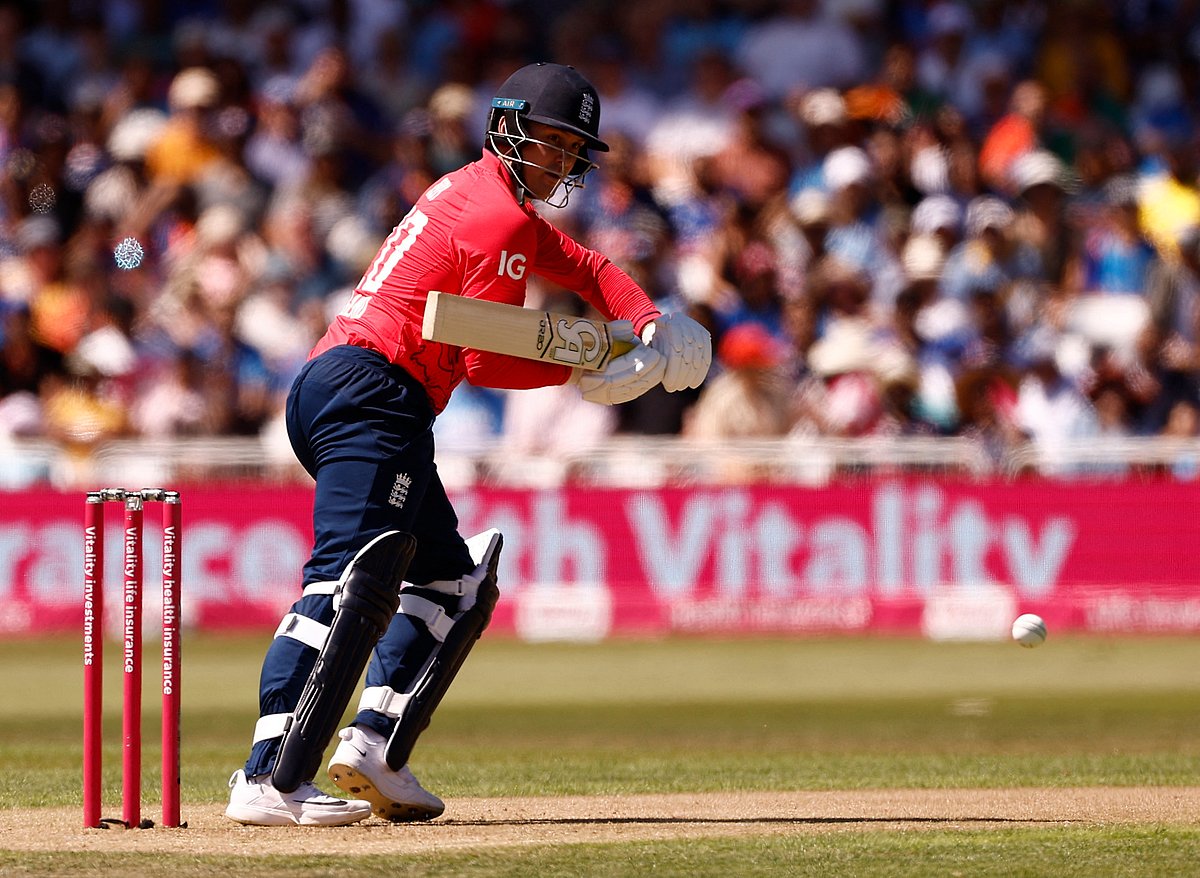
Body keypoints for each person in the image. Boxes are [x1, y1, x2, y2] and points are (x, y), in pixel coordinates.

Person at [224, 62, 712, 827]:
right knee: (353, 573)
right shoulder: (496, 216)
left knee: (454, 584)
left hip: (376, 395)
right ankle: (268, 778)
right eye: (547, 141)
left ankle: (376, 750)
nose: (557, 160)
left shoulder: (483, 194)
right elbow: (485, 357)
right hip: (369, 388)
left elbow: (586, 267)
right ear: (508, 125)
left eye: (569, 148)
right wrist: (593, 361)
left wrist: (646, 322)